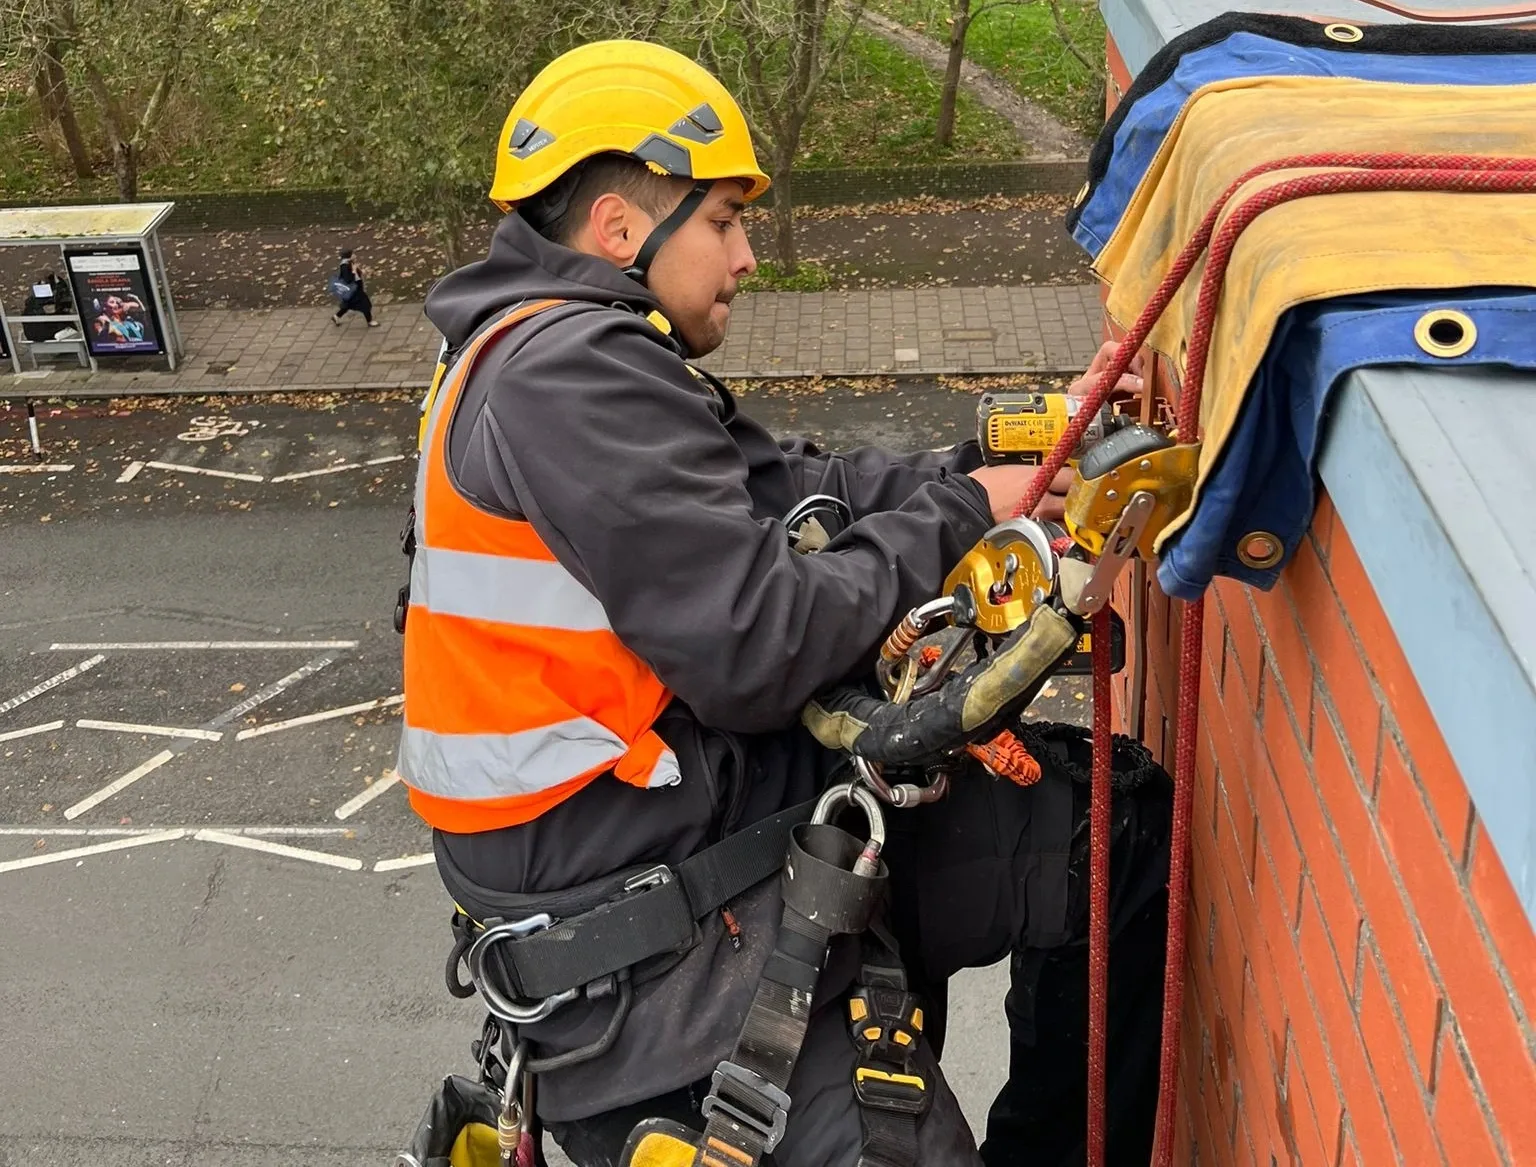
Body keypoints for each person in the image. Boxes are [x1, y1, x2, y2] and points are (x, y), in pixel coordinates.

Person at [397, 39, 1169, 1167]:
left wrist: (1023, 463)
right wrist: (963, 512)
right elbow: (753, 646)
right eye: (722, 221)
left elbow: (803, 491)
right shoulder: (570, 377)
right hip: (658, 965)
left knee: (1110, 828)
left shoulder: (555, 355)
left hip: (683, 836)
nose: (748, 255)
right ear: (619, 230)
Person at [331, 248, 378, 326]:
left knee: (348, 305)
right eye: (353, 254)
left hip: (354, 289)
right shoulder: (345, 266)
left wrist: (361, 271)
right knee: (366, 304)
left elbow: (356, 273)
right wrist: (353, 271)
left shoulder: (349, 262)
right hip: (354, 290)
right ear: (349, 256)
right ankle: (370, 321)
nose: (354, 255)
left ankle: (336, 317)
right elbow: (348, 279)